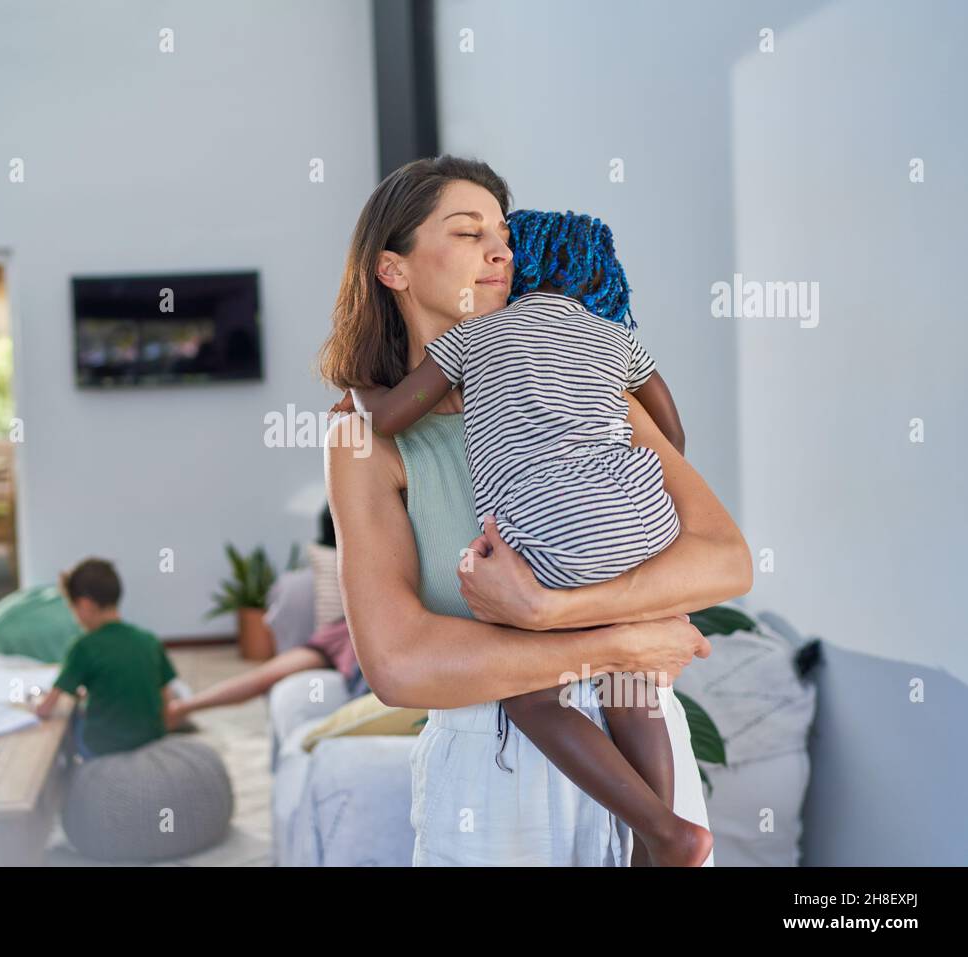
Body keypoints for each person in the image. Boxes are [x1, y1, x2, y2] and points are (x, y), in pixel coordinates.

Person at [318, 155, 752, 866]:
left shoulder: (586, 392)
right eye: (467, 232)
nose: (499, 250)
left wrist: (548, 615)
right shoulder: (363, 440)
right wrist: (616, 643)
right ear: (392, 268)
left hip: (651, 765)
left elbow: (725, 560)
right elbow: (399, 664)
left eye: (502, 233)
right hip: (497, 781)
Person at [165, 505, 360, 727]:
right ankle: (181, 708)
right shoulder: (338, 633)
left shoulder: (333, 623)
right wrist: (183, 707)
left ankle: (181, 707)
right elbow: (261, 679)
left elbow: (261, 679)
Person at [33, 558, 178, 761]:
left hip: (103, 749)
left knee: (71, 718)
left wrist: (36, 706)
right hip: (151, 741)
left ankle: (69, 778)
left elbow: (48, 707)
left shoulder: (83, 646)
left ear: (85, 605)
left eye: (73, 609)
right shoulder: (149, 640)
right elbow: (165, 698)